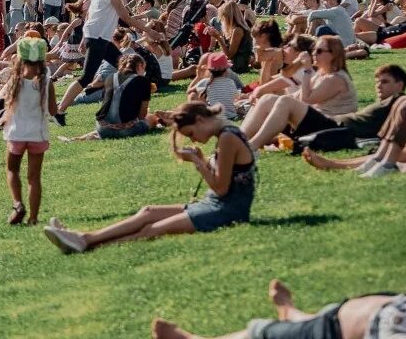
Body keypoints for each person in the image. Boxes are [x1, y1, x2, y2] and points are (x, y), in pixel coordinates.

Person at [45, 102, 255, 253]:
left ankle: (87, 243)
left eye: (191, 133)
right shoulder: (226, 133)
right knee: (148, 212)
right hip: (213, 204)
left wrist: (199, 163)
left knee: (152, 229)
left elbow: (221, 188)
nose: (195, 140)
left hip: (227, 210)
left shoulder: (228, 137)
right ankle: (83, 238)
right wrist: (202, 160)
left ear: (200, 120)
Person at [55, 0, 159, 122]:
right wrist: (150, 30)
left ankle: (130, 107)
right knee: (86, 78)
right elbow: (125, 18)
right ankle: (59, 111)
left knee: (125, 69)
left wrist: (84, 39)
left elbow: (90, 16)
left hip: (97, 38)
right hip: (98, 39)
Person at [151, 279, 406, 339]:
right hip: (396, 305)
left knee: (260, 332)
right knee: (335, 310)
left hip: (343, 330)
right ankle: (292, 313)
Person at [239, 36, 358, 151]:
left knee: (284, 101)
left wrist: (306, 69)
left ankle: (252, 145)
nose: (314, 54)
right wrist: (272, 101)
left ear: (333, 55)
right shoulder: (322, 74)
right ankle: (238, 140)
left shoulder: (335, 78)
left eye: (320, 51)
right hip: (318, 121)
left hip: (334, 127)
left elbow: (305, 100)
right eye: (315, 50)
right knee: (267, 99)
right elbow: (295, 95)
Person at [1, 37, 56, 226]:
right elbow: (54, 110)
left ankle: (17, 203)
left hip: (16, 133)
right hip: (38, 134)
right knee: (34, 178)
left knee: (12, 169)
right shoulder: (46, 82)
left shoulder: (15, 80)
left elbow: (7, 104)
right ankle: (33, 218)